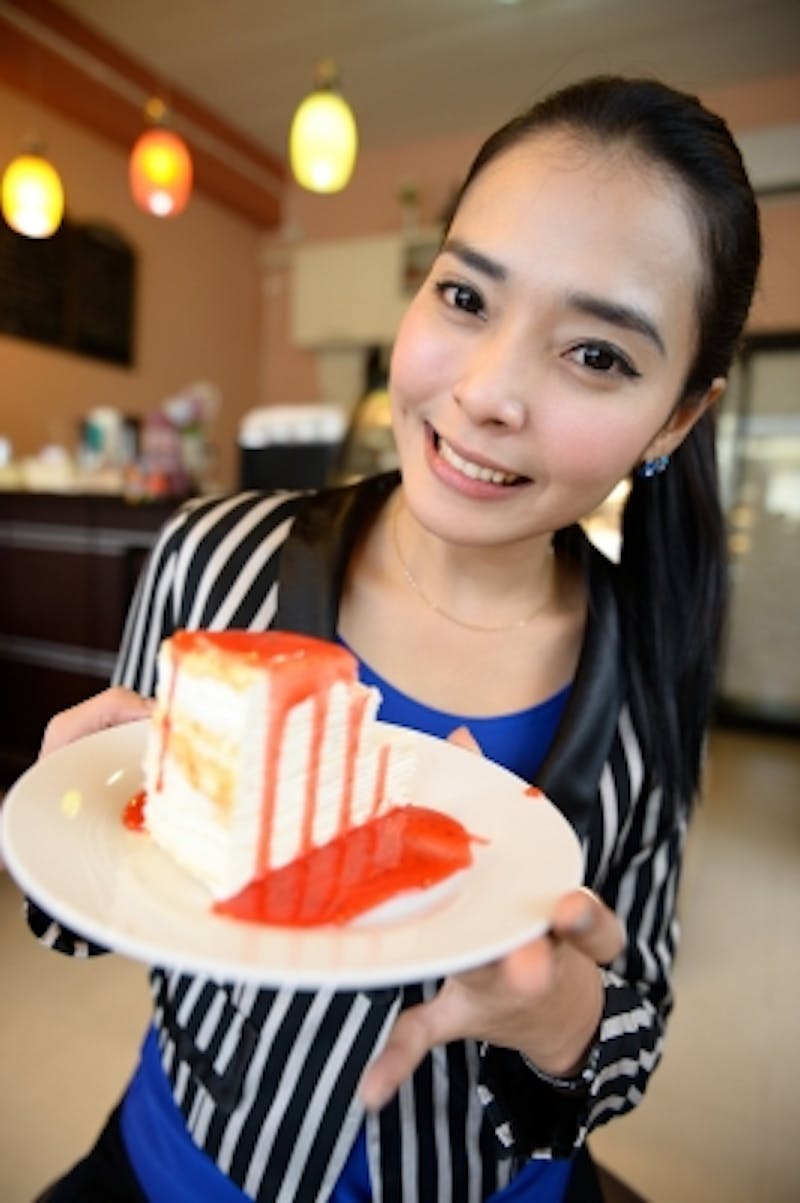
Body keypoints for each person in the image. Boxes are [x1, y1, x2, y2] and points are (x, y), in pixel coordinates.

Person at [28, 74, 761, 1203]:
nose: (484, 393)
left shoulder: (650, 666)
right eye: (466, 298)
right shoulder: (212, 562)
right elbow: (101, 906)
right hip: (187, 1168)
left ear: (674, 417)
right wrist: (67, 818)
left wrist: (561, 1017)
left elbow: (630, 1026)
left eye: (597, 355)